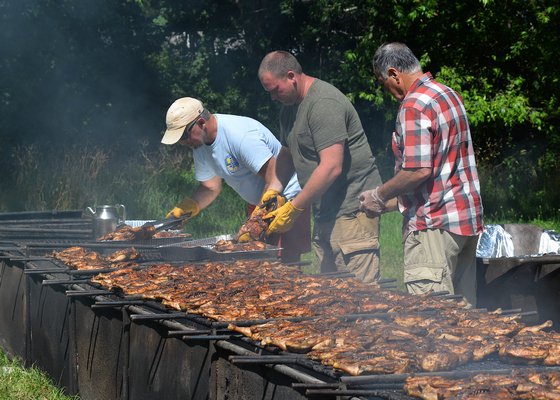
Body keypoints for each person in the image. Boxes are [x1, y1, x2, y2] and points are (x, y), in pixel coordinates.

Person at [360, 42, 483, 306]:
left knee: (433, 320)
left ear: (394, 74)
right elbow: (442, 169)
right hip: (464, 223)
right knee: (466, 322)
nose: (387, 90)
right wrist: (391, 204)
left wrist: (378, 195)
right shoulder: (447, 94)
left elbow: (418, 170)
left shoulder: (413, 105)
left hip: (433, 229)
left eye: (384, 82)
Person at [258, 50, 383, 283]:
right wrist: (272, 191)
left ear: (291, 76)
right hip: (325, 212)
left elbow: (331, 167)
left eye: (275, 89)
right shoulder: (289, 110)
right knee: (331, 294)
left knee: (359, 296)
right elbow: (286, 154)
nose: (273, 97)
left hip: (353, 210)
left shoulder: (323, 103)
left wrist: (294, 208)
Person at [161, 97, 311, 262]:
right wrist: (186, 209)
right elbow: (210, 187)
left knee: (285, 265)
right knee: (257, 263)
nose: (182, 142)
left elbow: (274, 175)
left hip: (286, 200)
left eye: (183, 135)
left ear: (201, 123)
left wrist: (257, 219)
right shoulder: (200, 146)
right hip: (260, 203)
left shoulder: (240, 135)